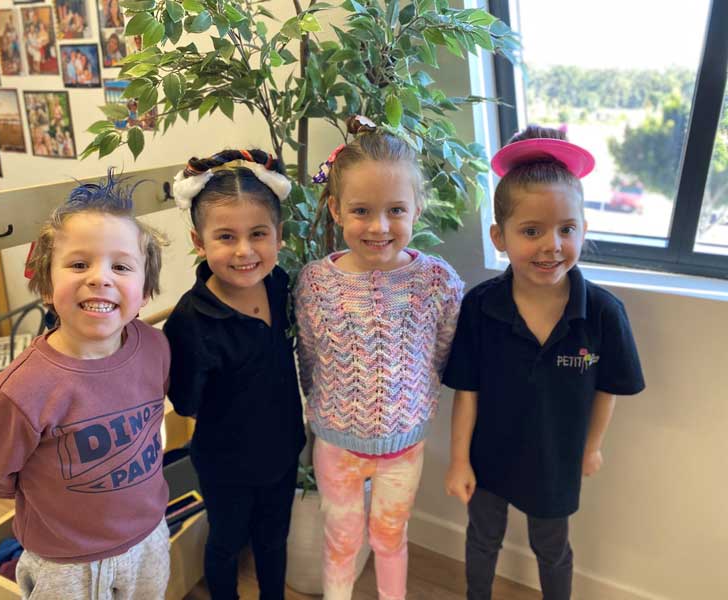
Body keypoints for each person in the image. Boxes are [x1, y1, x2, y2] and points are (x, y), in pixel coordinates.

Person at [443, 125, 645, 600]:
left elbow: (608, 390)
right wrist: (457, 460)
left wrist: (591, 447)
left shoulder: (602, 313)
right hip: (489, 458)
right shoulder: (479, 307)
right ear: (501, 235)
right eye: (531, 231)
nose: (551, 245)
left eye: (566, 229)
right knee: (482, 538)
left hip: (556, 461)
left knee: (552, 548)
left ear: (583, 229)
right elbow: (466, 391)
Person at [0, 169, 172, 600]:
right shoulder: (20, 391)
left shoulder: (155, 346)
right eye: (78, 264)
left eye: (121, 266)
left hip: (151, 537)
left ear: (144, 289)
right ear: (46, 284)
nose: (100, 277)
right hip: (66, 566)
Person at [295, 116, 464, 600]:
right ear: (335, 209)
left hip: (404, 444)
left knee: (390, 538)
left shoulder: (437, 282)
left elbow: (445, 351)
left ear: (416, 209)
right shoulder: (314, 282)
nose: (379, 226)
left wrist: (411, 400)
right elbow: (309, 356)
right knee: (341, 540)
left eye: (395, 210)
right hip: (336, 444)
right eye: (362, 210)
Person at [164, 149, 306, 600]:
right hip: (226, 463)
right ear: (199, 242)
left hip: (283, 448)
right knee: (226, 542)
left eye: (258, 234)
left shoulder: (280, 283)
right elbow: (186, 402)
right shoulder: (190, 321)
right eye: (226, 236)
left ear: (278, 236)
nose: (245, 251)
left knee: (272, 539)